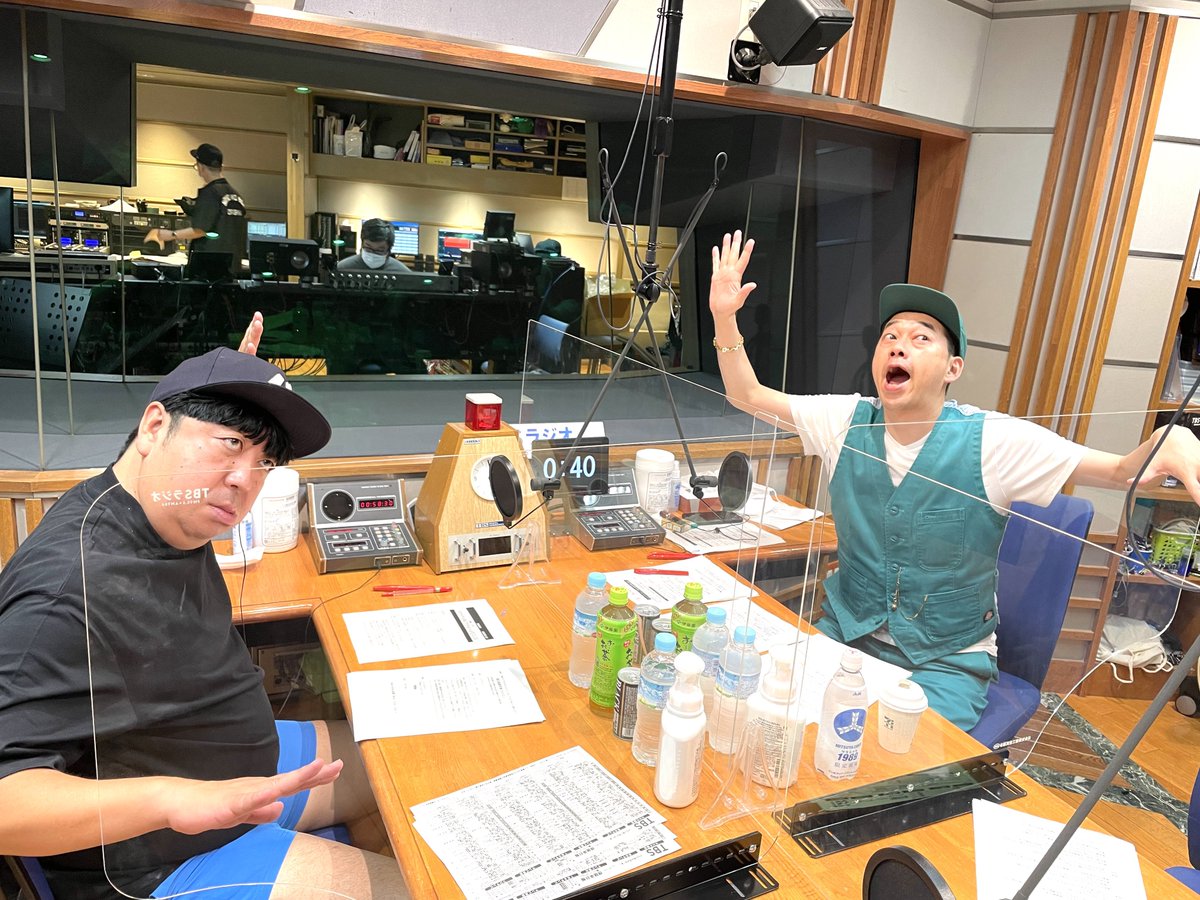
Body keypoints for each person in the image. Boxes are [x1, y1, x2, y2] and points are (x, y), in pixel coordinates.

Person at [709, 230, 1200, 730]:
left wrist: (1171, 440)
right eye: (890, 337)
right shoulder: (844, 419)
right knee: (777, 727)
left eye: (921, 338)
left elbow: (1121, 471)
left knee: (892, 761)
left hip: (945, 662)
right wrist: (725, 317)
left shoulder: (992, 440)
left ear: (953, 368)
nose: (899, 346)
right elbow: (748, 395)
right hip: (846, 636)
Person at [0, 328, 409, 897]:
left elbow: (198, 444)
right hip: (158, 856)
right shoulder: (68, 592)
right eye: (229, 444)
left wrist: (234, 387)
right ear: (153, 427)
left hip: (227, 763)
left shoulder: (156, 504)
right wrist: (172, 799)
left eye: (264, 460)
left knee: (405, 760)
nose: (244, 480)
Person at [145, 143, 247, 260]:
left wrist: (171, 234)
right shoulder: (236, 196)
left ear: (201, 167)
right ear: (221, 167)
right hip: (232, 263)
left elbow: (200, 230)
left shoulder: (210, 193)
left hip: (209, 263)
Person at [337, 219, 413, 273]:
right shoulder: (342, 268)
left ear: (389, 250)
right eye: (368, 248)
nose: (372, 254)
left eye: (379, 250)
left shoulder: (403, 273)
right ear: (362, 243)